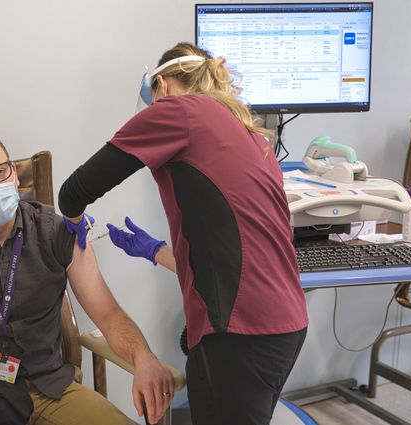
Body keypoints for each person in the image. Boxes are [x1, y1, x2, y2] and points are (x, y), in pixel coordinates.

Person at [58, 42, 309, 425]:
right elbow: (236, 250)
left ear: (162, 82)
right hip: (286, 325)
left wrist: (73, 219)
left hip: (239, 332)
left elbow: (73, 191)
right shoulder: (251, 135)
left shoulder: (176, 111)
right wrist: (155, 250)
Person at [0, 130, 174, 425]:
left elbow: (109, 316)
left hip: (51, 389)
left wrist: (144, 358)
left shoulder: (57, 232)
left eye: (0, 172)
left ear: (14, 174)